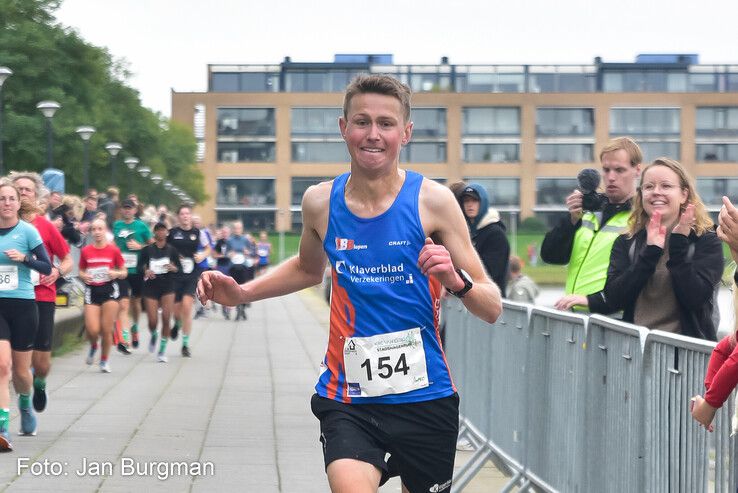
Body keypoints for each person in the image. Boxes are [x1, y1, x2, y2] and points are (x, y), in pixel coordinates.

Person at [197, 74, 501, 493]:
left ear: (405, 133)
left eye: (386, 124)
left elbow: (492, 306)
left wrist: (456, 280)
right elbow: (308, 269)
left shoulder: (433, 201)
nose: (373, 134)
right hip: (349, 398)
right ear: (344, 128)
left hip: (425, 397)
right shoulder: (320, 202)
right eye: (361, 122)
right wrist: (244, 291)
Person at [603, 158, 723, 340]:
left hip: (687, 357)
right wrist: (650, 253)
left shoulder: (705, 240)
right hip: (635, 355)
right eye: (649, 187)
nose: (656, 192)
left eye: (666, 186)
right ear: (641, 193)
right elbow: (614, 299)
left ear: (684, 195)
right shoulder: (627, 241)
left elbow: (695, 298)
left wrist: (678, 245)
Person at [541, 137, 643, 313]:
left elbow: (635, 278)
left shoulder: (641, 217)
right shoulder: (588, 212)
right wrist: (571, 221)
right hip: (576, 319)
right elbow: (551, 255)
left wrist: (592, 300)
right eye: (606, 170)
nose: (611, 177)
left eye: (619, 170)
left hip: (613, 321)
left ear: (637, 171)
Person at [10, 171, 73, 414]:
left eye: (28, 190)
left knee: (41, 362)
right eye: (19, 189)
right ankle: (23, 400)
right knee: (15, 359)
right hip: (11, 298)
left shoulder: (45, 227)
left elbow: (68, 259)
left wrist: (57, 272)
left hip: (41, 297)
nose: (23, 193)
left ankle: (39, 382)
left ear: (36, 197)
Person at [0, 181, 52, 450]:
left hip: (23, 306)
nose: (6, 203)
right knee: (2, 365)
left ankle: (25, 403)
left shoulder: (28, 231)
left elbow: (46, 265)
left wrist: (24, 258)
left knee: (21, 371)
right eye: (2, 198)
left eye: (11, 198)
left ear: (19, 204)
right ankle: (3, 427)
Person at [79, 218, 127, 372]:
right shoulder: (86, 251)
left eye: (100, 229)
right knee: (92, 329)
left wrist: (116, 273)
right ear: (91, 232)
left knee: (106, 330)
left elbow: (124, 271)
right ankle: (94, 345)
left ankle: (104, 361)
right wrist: (83, 276)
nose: (97, 232)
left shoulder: (113, 250)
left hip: (109, 291)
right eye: (94, 229)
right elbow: (81, 270)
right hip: (92, 291)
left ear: (105, 231)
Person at [168, 204, 210, 357]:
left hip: (191, 273)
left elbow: (207, 248)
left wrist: (202, 256)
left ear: (191, 216)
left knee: (187, 307)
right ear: (178, 216)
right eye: (182, 214)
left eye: (187, 213)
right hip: (175, 274)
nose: (185, 216)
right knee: (176, 310)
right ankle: (176, 324)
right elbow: (163, 247)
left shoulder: (198, 233)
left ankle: (185, 345)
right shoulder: (172, 233)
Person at [113, 199, 152, 350]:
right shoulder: (117, 225)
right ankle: (125, 336)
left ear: (135, 210)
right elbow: (114, 244)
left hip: (137, 270)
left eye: (130, 208)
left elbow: (153, 245)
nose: (127, 211)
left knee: (136, 302)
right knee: (123, 303)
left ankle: (135, 327)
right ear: (122, 210)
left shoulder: (141, 226)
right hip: (121, 270)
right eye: (125, 208)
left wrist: (139, 246)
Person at [138, 222, 181, 362]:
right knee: (152, 320)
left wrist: (172, 268)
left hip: (168, 286)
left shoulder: (172, 250)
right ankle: (154, 334)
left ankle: (162, 350)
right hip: (151, 286)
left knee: (167, 318)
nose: (161, 233)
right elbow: (140, 266)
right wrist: (146, 270)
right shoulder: (147, 250)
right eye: (158, 230)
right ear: (154, 233)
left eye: (163, 230)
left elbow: (179, 268)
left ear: (167, 233)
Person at [458, 184, 510, 295]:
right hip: (471, 300)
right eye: (466, 201)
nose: (470, 205)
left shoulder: (496, 234)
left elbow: (489, 272)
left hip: (491, 301)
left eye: (475, 200)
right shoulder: (467, 232)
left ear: (483, 202)